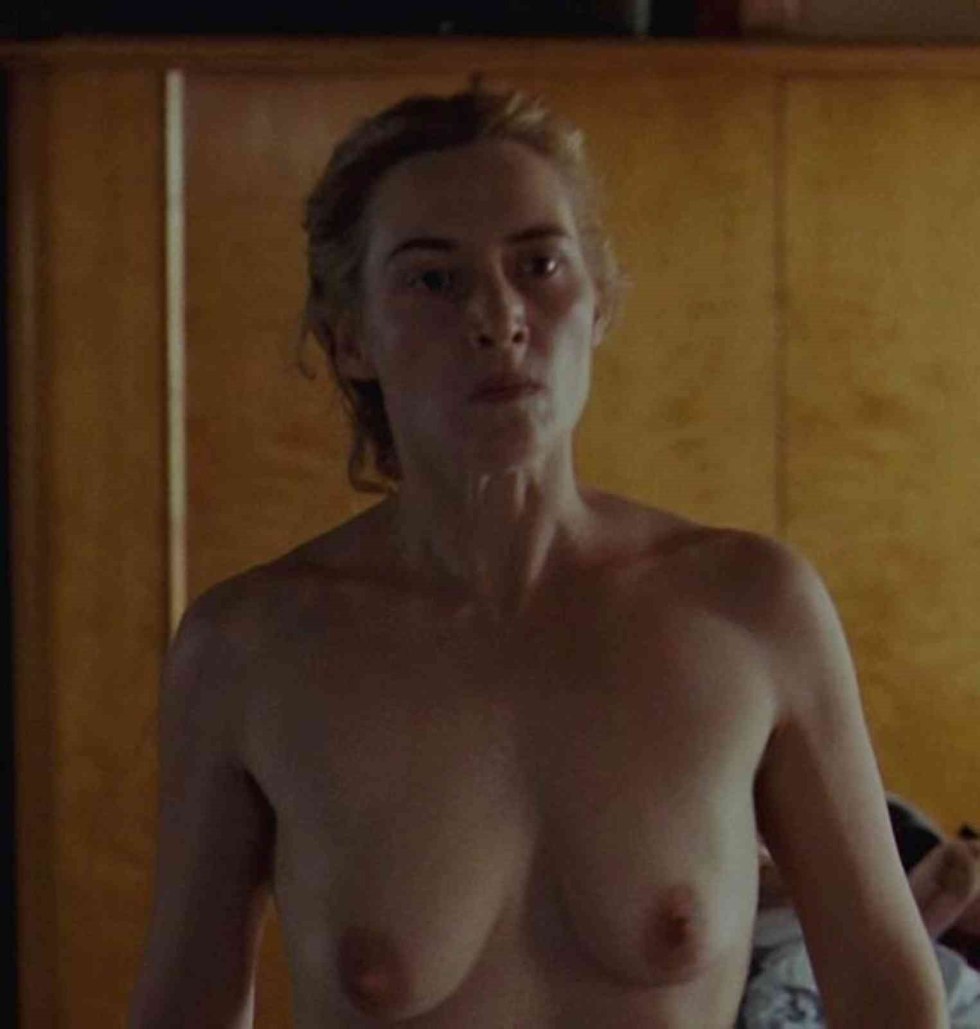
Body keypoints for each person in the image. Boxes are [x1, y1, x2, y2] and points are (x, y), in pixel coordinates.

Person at [129, 78, 947, 1027]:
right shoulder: (251, 649)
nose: (497, 315)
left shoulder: (752, 611)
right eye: (433, 279)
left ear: (598, 304)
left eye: (539, 265)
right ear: (351, 337)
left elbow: (891, 1001)